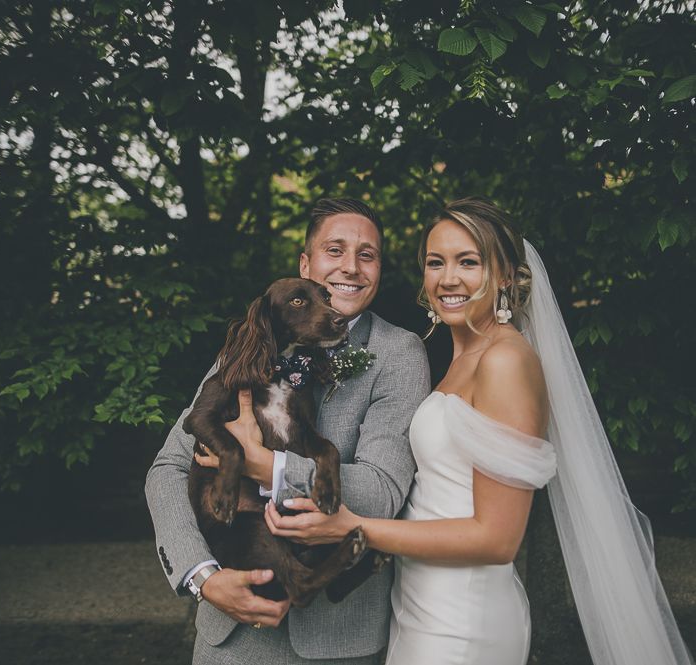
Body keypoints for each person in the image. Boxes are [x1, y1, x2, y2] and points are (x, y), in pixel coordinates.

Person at [263, 198, 695, 665]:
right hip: (419, 603)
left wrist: (356, 526)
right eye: (436, 262)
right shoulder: (459, 356)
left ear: (506, 275)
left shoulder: (506, 361)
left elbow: (497, 538)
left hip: (462, 619)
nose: (448, 278)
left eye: (469, 262)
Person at [145, 197, 431, 665]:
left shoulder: (399, 353)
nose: (351, 267)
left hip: (336, 643)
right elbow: (169, 466)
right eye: (334, 250)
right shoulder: (256, 338)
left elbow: (381, 491)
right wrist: (203, 576)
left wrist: (268, 466)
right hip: (232, 638)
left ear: (380, 267)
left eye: (367, 254)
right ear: (307, 263)